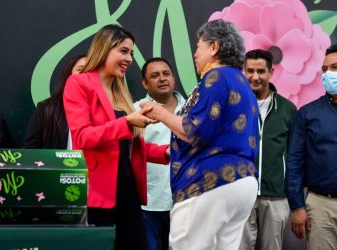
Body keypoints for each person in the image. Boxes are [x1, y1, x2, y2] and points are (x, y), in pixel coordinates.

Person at [140, 19, 259, 250]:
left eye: (198, 46)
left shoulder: (216, 77)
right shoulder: (240, 81)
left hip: (210, 181)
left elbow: (194, 131)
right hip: (242, 183)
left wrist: (159, 112)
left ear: (213, 47)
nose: (195, 53)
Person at [63, 24, 169, 250]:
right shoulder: (79, 83)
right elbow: (82, 137)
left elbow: (127, 148)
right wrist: (127, 122)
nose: (129, 59)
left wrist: (165, 152)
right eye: (123, 51)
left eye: (131, 52)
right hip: (98, 192)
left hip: (128, 187)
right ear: (104, 48)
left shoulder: (121, 90)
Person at [285, 44, 337, 249]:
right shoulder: (307, 114)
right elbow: (294, 162)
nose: (328, 74)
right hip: (321, 205)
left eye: (335, 67)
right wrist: (297, 206)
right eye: (325, 69)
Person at [239, 49, 296, 250]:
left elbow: (294, 154)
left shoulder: (288, 109)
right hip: (242, 194)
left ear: (271, 72)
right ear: (243, 71)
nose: (255, 77)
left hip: (276, 196)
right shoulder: (235, 106)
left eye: (261, 71)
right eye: (250, 70)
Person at [134, 57, 186, 250]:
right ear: (145, 84)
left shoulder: (193, 108)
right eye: (154, 76)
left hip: (185, 198)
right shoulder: (135, 110)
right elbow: (132, 152)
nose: (162, 79)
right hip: (149, 200)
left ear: (173, 77)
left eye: (166, 74)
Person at [23, 54, 86, 149]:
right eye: (80, 69)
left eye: (91, 70)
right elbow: (31, 149)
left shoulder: (105, 108)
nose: (86, 74)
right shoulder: (47, 108)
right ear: (68, 74)